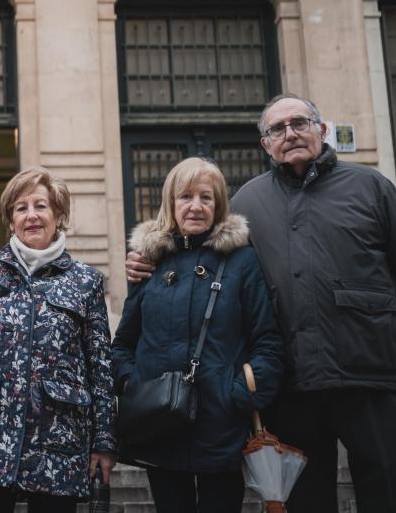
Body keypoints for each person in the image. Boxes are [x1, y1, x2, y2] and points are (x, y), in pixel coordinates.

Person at [126, 94, 396, 513]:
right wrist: (147, 260)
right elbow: (201, 262)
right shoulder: (248, 202)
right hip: (294, 392)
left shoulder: (371, 187)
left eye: (299, 123)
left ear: (322, 130)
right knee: (305, 503)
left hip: (370, 377)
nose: (290, 134)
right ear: (266, 144)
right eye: (277, 129)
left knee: (388, 498)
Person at [112, 157, 284, 513]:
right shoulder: (150, 262)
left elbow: (267, 341)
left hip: (222, 425)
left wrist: (238, 396)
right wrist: (133, 383)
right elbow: (124, 343)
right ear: (171, 203)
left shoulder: (242, 261)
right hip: (160, 424)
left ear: (218, 206)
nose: (196, 206)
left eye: (206, 197)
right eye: (186, 197)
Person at [0, 167, 116, 513]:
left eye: (41, 206)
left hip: (59, 442)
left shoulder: (85, 281)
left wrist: (104, 440)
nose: (31, 216)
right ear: (11, 219)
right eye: (21, 208)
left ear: (59, 215)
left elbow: (100, 367)